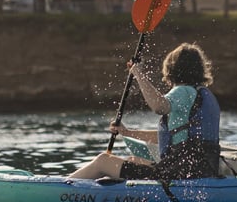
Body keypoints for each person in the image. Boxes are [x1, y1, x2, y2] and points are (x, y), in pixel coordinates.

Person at [70, 42, 221, 180]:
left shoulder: (183, 91)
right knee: (133, 160)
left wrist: (138, 74)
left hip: (180, 173)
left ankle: (62, 186)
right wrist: (128, 133)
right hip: (198, 170)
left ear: (172, 69)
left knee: (103, 161)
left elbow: (159, 106)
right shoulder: (201, 94)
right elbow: (169, 136)